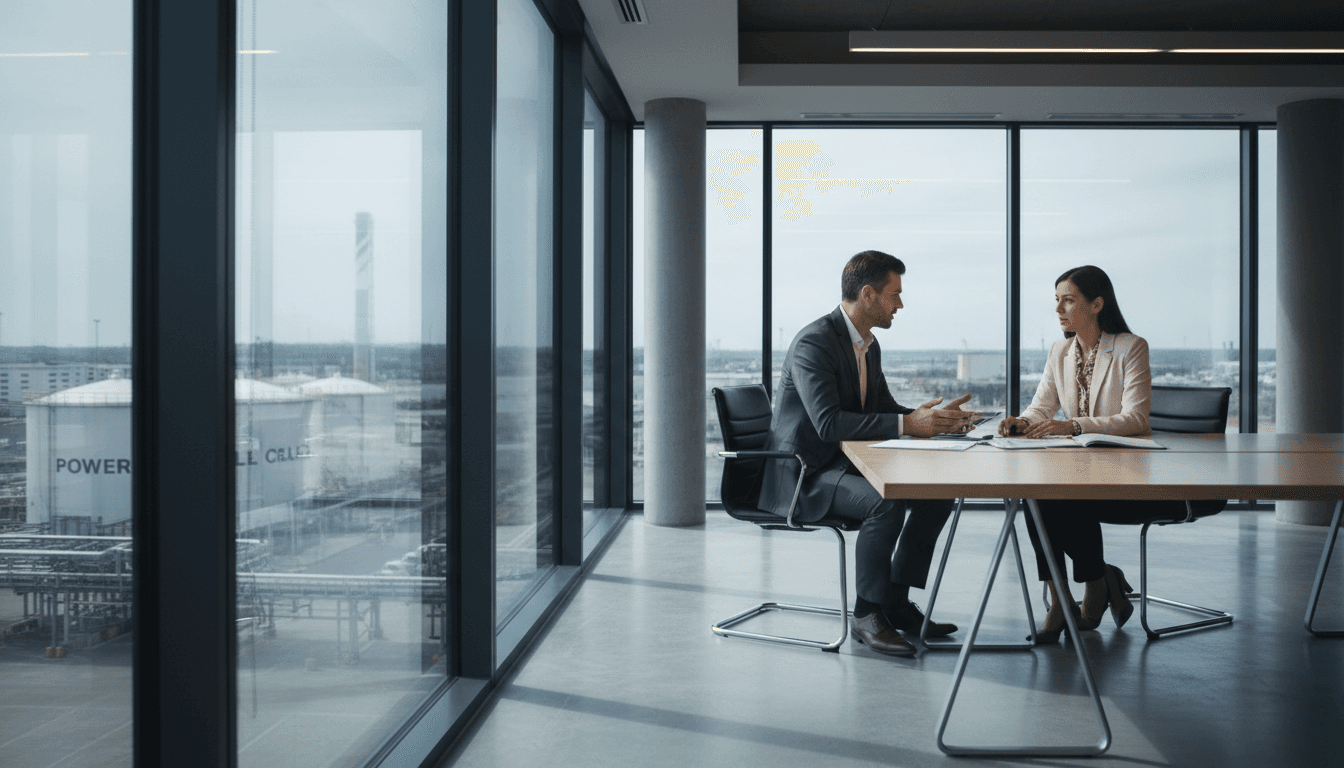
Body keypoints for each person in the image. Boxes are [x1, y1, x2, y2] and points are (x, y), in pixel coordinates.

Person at [759, 250, 978, 657]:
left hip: (839, 464)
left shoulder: (867, 345)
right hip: (804, 473)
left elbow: (880, 408)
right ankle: (866, 614)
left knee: (937, 493)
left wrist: (925, 416)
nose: (900, 304)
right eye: (894, 294)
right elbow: (828, 424)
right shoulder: (814, 342)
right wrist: (909, 425)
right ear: (868, 294)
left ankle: (894, 600)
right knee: (884, 504)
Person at [998, 265, 1225, 641]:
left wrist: (1075, 425)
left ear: (1097, 304)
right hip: (1085, 475)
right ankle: (1067, 596)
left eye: (1068, 300)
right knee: (1036, 493)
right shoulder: (1059, 351)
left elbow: (1135, 418)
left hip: (1130, 479)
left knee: (1064, 498)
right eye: (1056, 301)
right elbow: (1041, 408)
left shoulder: (1130, 347)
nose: (1059, 309)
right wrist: (1022, 422)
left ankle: (1096, 586)